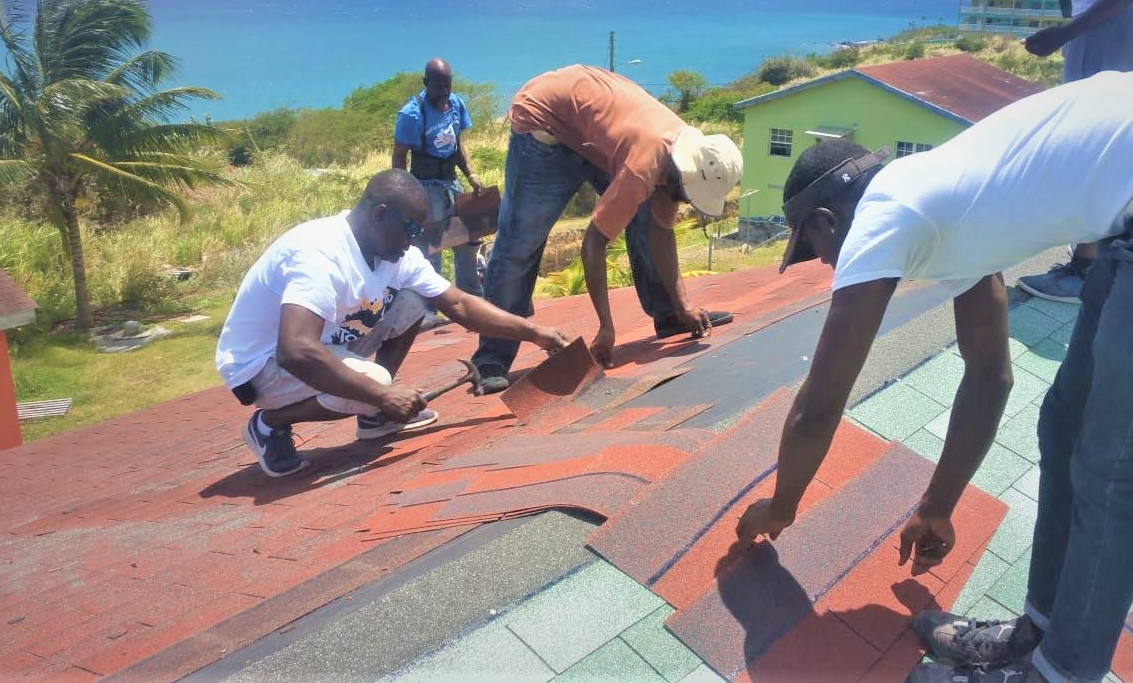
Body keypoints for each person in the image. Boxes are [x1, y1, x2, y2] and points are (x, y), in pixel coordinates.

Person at [733, 72, 1133, 683]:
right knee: (1067, 427)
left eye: (813, 248)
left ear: (828, 221)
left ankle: (1055, 678)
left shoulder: (885, 219)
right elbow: (990, 375)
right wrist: (937, 507)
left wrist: (781, 506)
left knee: (1118, 469)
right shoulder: (941, 200)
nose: (825, 264)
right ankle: (1038, 636)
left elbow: (817, 409)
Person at [215, 169, 569, 478]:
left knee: (414, 300)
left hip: (325, 341)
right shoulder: (318, 254)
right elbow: (295, 350)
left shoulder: (396, 253)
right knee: (376, 383)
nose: (415, 240)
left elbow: (459, 304)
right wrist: (382, 395)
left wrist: (535, 333)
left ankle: (374, 417)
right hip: (263, 365)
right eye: (411, 229)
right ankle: (269, 424)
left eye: (421, 231)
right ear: (381, 214)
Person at [471, 64, 743, 394]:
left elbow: (661, 230)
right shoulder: (648, 163)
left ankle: (672, 315)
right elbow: (594, 243)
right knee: (520, 242)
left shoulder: (683, 161)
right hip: (544, 124)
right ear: (682, 177)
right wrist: (606, 327)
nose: (685, 201)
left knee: (644, 213)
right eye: (688, 195)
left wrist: (684, 304)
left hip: (591, 130)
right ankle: (492, 358)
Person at [1016, 0, 1133, 303]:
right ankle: (1103, 254)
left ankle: (1087, 270)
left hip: (1106, 26)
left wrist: (1068, 32)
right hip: (1110, 23)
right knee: (1116, 141)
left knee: (1095, 146)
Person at [393, 58, 486, 329]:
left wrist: (470, 174)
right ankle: (427, 311)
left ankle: (473, 301)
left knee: (466, 241)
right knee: (429, 250)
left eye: (448, 85)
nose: (444, 92)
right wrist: (405, 195)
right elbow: (399, 156)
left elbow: (457, 144)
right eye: (438, 86)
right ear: (426, 83)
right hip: (425, 187)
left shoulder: (455, 104)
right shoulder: (412, 114)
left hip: (451, 183)